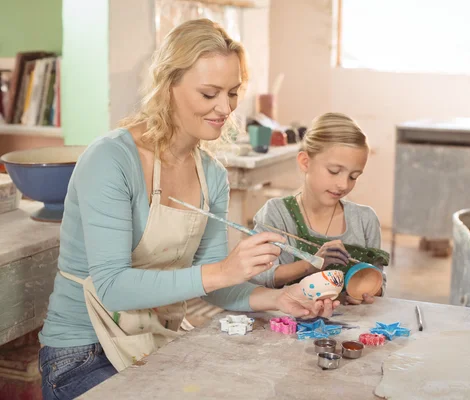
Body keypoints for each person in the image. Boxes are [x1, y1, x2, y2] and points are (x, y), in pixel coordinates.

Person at [37, 19, 338, 400]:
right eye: (209, 93)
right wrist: (224, 270)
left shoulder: (210, 174)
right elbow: (112, 287)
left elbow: (216, 290)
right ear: (168, 86)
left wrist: (281, 299)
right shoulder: (111, 159)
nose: (225, 107)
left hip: (154, 344)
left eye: (232, 93)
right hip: (82, 355)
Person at [251, 112, 389, 305]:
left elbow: (378, 280)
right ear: (305, 162)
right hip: (289, 326)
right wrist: (310, 265)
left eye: (353, 176)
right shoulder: (277, 214)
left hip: (350, 327)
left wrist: (368, 292)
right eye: (334, 171)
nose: (343, 184)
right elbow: (260, 276)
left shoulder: (365, 219)